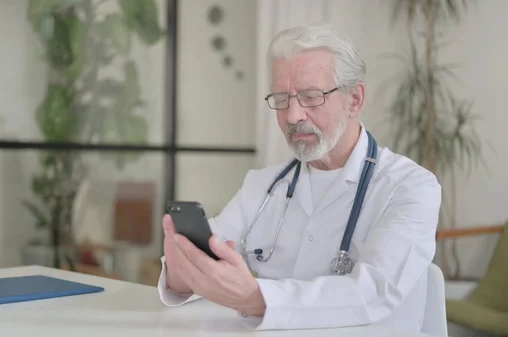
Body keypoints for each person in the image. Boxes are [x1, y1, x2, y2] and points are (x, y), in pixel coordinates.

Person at [156, 23, 441, 333]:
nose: (292, 116)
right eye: (282, 98)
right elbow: (210, 265)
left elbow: (374, 292)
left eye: (310, 97)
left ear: (355, 99)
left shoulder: (410, 187)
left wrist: (256, 298)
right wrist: (183, 271)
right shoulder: (261, 185)